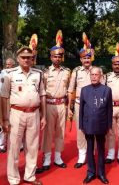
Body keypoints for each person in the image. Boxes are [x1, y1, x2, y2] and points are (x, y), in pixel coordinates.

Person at [1, 46, 47, 185]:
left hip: (34, 114)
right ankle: (13, 178)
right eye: (24, 57)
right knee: (14, 147)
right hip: (16, 113)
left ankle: (30, 176)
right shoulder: (9, 74)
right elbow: (3, 97)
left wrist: (44, 115)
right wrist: (4, 119)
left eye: (29, 57)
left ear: (33, 58)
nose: (27, 60)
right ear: (18, 58)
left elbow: (42, 94)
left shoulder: (38, 74)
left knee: (32, 147)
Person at [36, 30, 71, 174]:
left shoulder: (67, 71)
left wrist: (69, 107)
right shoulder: (44, 72)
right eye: (55, 56)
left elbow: (69, 90)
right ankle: (47, 158)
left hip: (62, 104)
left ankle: (58, 157)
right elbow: (41, 92)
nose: (57, 58)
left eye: (60, 56)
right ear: (51, 57)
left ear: (62, 57)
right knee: (48, 133)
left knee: (60, 132)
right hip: (49, 105)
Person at [80, 67, 112, 184]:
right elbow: (81, 109)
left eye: (96, 75)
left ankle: (102, 173)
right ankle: (91, 172)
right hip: (88, 124)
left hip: (101, 123)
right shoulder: (84, 90)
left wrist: (108, 125)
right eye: (92, 75)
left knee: (101, 149)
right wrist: (81, 125)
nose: (94, 77)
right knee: (89, 149)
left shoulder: (107, 90)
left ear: (101, 76)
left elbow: (109, 109)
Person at [67, 32, 94, 168]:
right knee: (81, 129)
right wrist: (69, 109)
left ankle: (92, 154)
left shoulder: (97, 71)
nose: (86, 60)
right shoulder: (76, 71)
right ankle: (82, 155)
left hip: (93, 106)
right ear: (81, 60)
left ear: (91, 58)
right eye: (84, 58)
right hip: (79, 104)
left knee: (93, 129)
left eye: (88, 58)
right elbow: (70, 90)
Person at [104, 43, 119, 165]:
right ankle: (110, 153)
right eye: (115, 64)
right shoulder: (107, 77)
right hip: (110, 108)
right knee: (110, 131)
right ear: (112, 65)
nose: (117, 66)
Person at [0, 58, 16, 153]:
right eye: (6, 64)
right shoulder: (3, 73)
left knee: (15, 123)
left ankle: (19, 144)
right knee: (2, 124)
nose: (7, 66)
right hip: (2, 100)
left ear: (13, 65)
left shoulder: (14, 74)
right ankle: (2, 145)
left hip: (13, 100)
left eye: (9, 64)